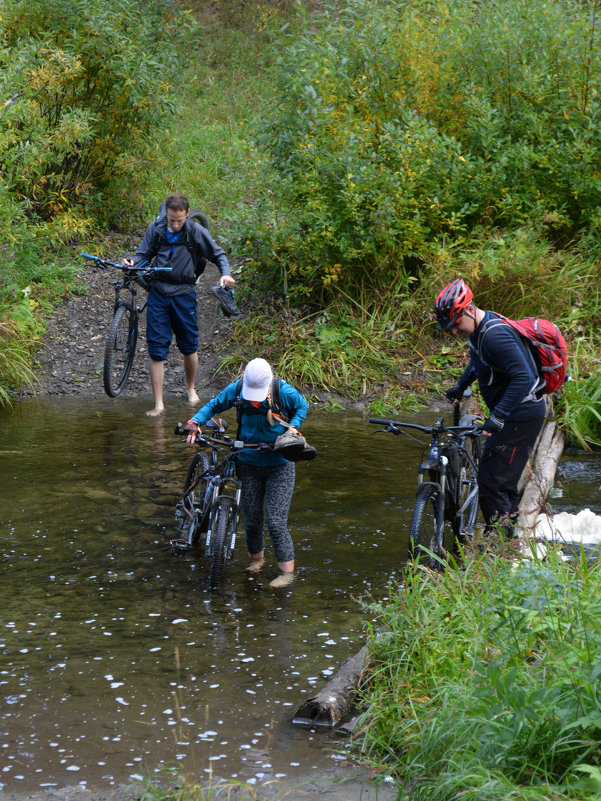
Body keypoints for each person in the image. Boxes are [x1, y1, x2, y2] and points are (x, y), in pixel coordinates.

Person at [434, 278, 547, 538]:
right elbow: (478, 361)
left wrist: (498, 416)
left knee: (494, 482)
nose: (453, 331)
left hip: (522, 416)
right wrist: (462, 385)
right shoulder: (479, 330)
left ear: (470, 309)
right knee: (497, 477)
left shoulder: (495, 335)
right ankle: (505, 537)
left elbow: (524, 377)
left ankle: (502, 544)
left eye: (455, 324)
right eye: (448, 328)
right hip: (513, 415)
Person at [185, 358, 309, 588]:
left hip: (280, 464)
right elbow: (212, 406)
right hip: (249, 462)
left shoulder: (282, 391)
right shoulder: (238, 389)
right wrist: (195, 421)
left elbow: (302, 406)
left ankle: (287, 573)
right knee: (252, 519)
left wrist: (294, 426)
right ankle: (257, 561)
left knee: (275, 521)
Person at [122, 193, 234, 417]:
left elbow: (218, 254)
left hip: (184, 293)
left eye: (179, 221)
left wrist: (226, 274)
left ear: (187, 215)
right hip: (159, 292)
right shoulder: (156, 229)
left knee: (189, 345)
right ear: (167, 215)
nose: (174, 225)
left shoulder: (195, 232)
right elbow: (142, 254)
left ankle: (191, 389)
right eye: (171, 219)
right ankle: (159, 404)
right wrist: (132, 263)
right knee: (156, 348)